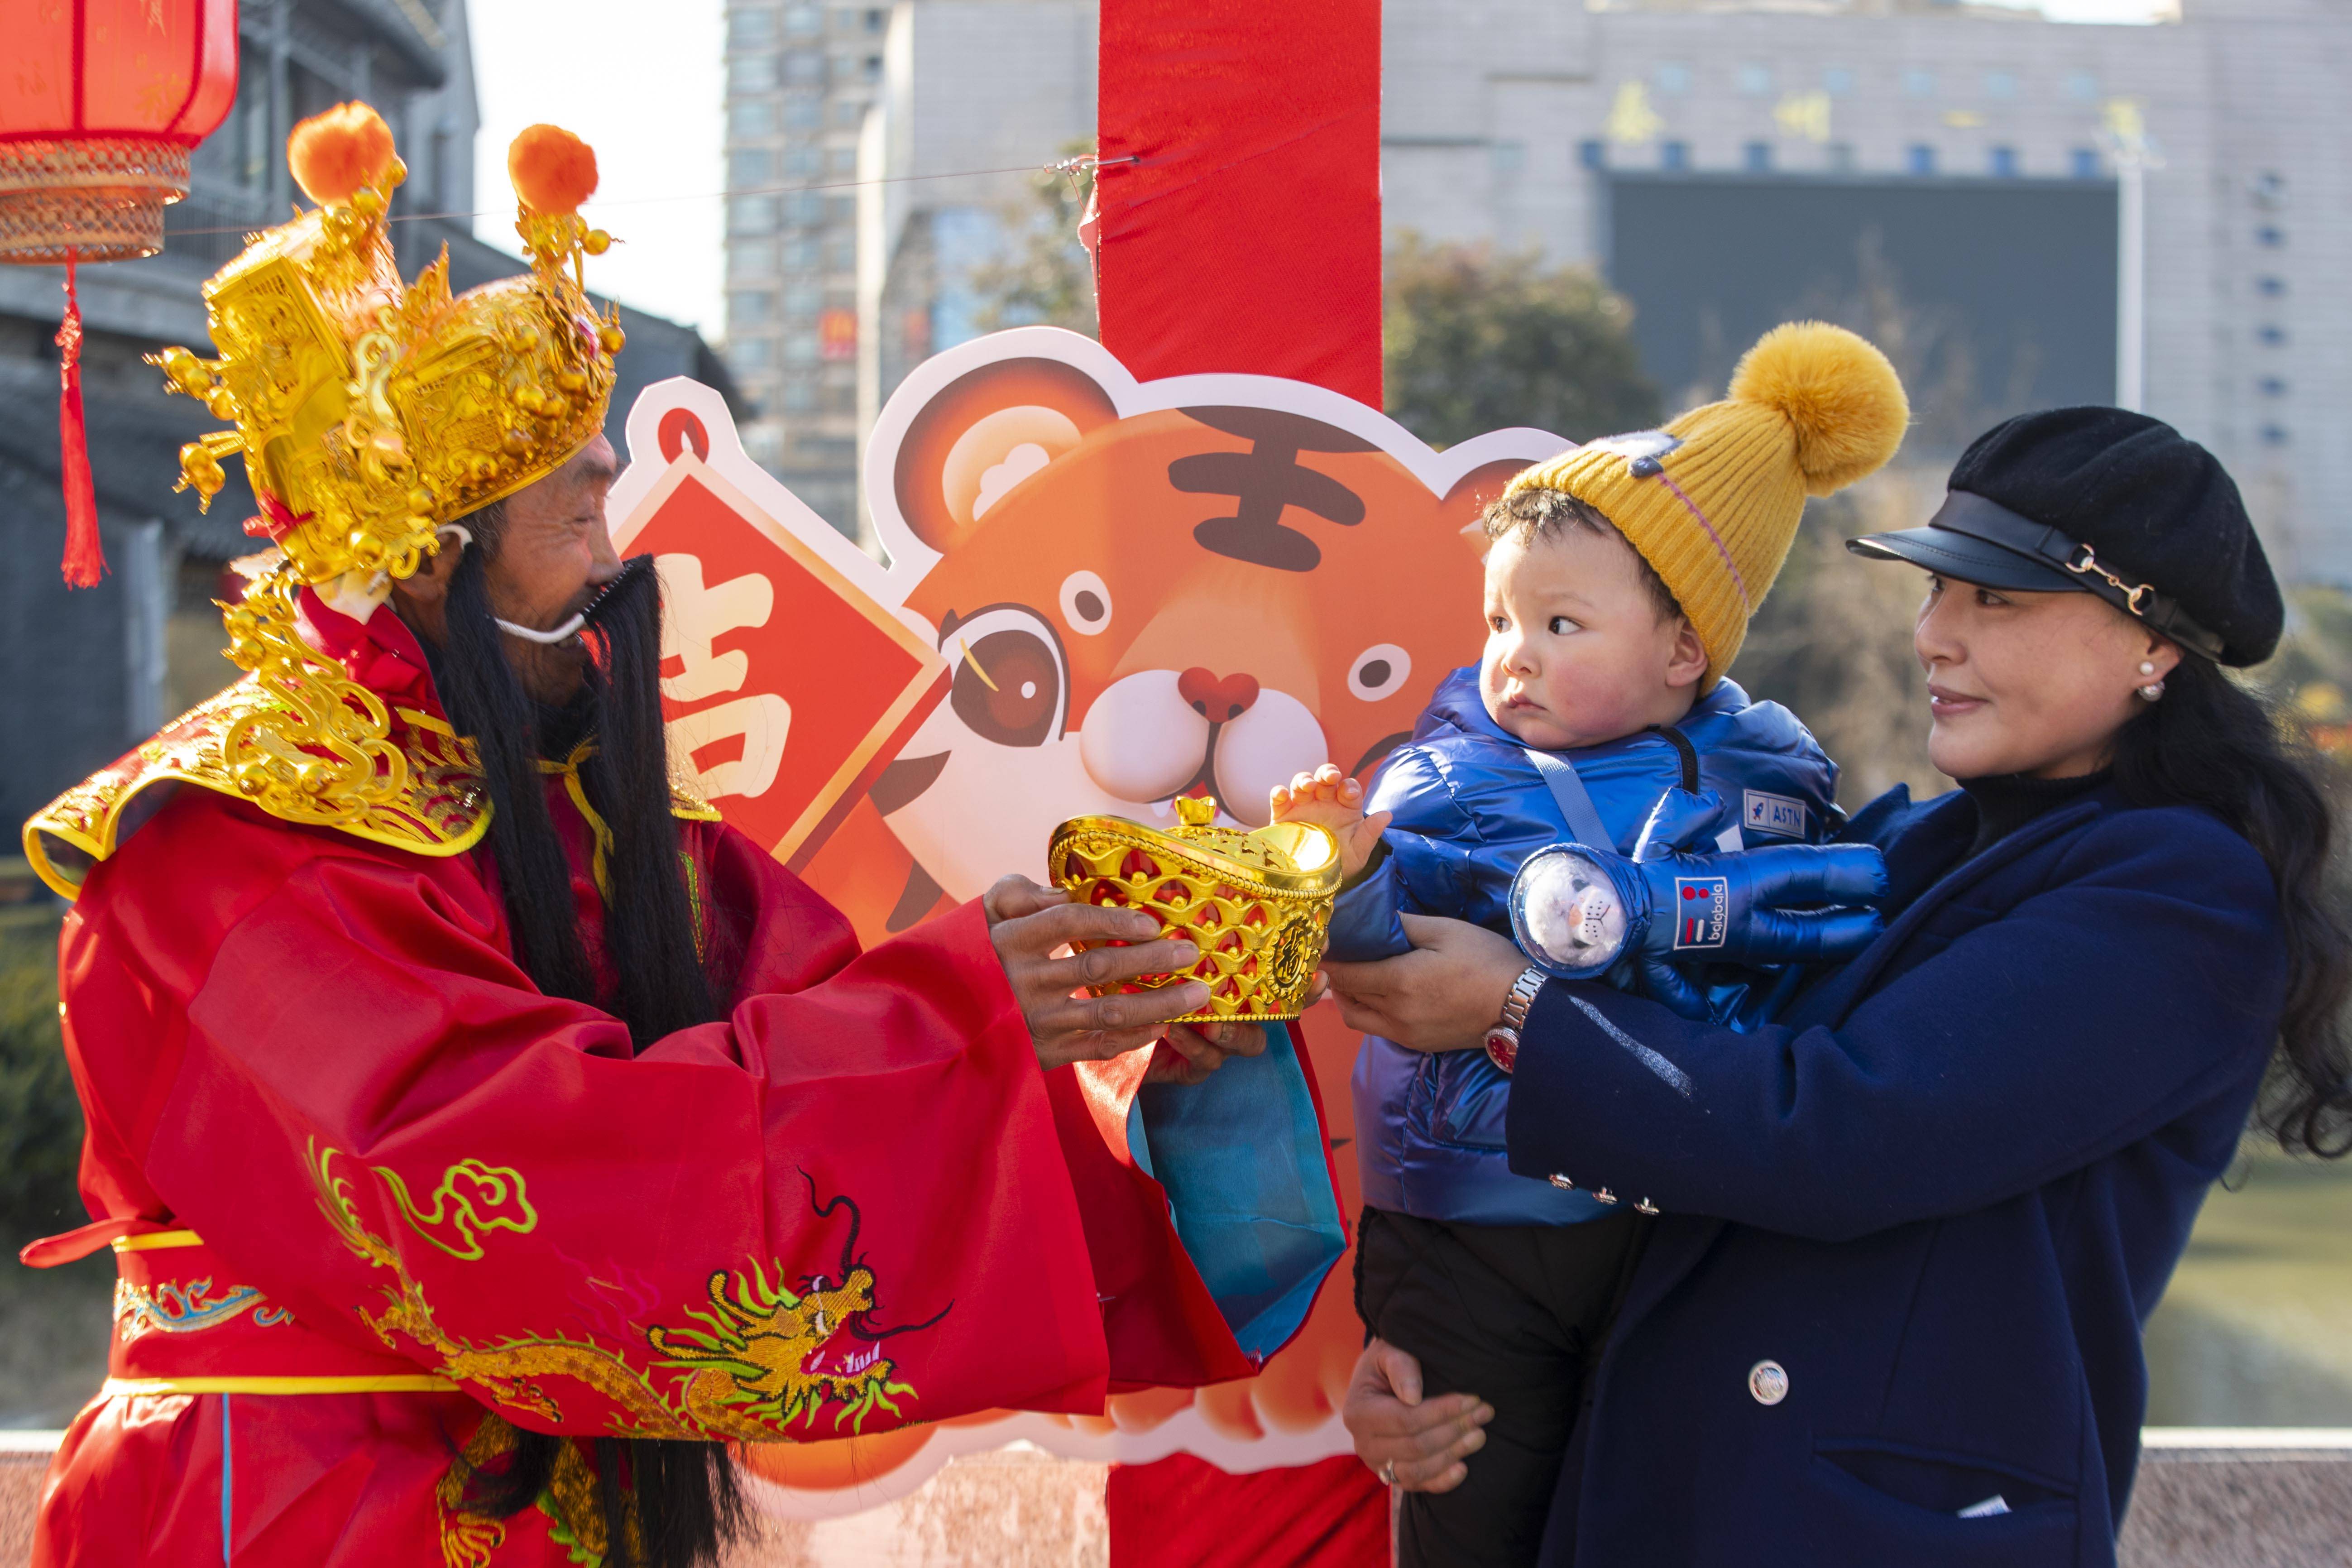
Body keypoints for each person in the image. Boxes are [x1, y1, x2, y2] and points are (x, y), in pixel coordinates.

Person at [19, 107, 1339, 1568]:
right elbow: (490, 1165)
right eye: (574, 514)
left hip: (568, 1504)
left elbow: (833, 1040)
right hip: (286, 1505)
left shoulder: (598, 810)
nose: (614, 564)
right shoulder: (226, 839)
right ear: (426, 552)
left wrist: (1107, 1046)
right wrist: (965, 1011)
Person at [1329, 407, 2352, 1567]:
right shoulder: (1914, 850)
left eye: (1995, 601)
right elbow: (1694, 1088)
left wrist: (1516, 1010)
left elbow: (1845, 1127)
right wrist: (1462, 1342)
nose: (1935, 637)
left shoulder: (2179, 892)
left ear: (2152, 645)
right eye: (1939, 593)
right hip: (1670, 1485)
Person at [1268, 321, 1904, 1565]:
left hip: (1671, 1216)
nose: (1513, 657)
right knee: (1470, 1505)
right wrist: (1339, 871)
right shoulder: (1441, 779)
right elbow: (1371, 967)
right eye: (1500, 620)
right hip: (1463, 1231)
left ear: (1683, 651)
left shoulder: (1773, 792)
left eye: (1561, 625)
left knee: (1646, 1511)